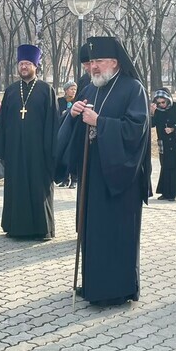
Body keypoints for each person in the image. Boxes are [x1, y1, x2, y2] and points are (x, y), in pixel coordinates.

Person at [57, 36, 150, 306]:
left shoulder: (133, 89)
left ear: (115, 62)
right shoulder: (90, 89)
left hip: (120, 175)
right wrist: (73, 115)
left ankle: (117, 289)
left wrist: (100, 122)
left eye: (99, 62)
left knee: (116, 232)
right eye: (91, 62)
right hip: (92, 172)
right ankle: (94, 284)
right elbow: (76, 129)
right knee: (93, 231)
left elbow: (136, 130)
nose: (93, 67)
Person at [0, 45, 59, 240]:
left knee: (39, 188)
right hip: (14, 150)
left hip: (39, 151)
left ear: (35, 66)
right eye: (21, 63)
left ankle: (42, 229)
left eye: (28, 64)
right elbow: (2, 122)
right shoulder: (11, 91)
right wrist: (1, 149)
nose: (23, 67)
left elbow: (53, 123)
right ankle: (16, 228)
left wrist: (50, 151)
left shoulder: (47, 90)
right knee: (16, 187)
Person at [150, 88, 176, 201]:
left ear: (168, 99)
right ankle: (165, 192)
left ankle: (173, 193)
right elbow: (151, 124)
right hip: (164, 143)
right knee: (165, 167)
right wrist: (152, 113)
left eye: (163, 102)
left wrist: (174, 129)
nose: (161, 105)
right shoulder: (157, 110)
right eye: (159, 103)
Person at [56, 81, 77, 188]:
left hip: (73, 132)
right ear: (66, 90)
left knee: (72, 155)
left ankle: (74, 179)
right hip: (62, 131)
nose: (73, 91)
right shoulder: (60, 101)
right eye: (71, 89)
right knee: (63, 155)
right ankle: (65, 179)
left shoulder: (77, 101)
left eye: (75, 89)